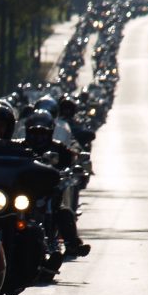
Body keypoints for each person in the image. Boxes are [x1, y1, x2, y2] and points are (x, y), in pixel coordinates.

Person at [20, 111, 90, 258]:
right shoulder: (20, 147)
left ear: (51, 132)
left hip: (49, 190)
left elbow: (72, 160)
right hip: (25, 192)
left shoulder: (59, 148)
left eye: (43, 133)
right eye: (34, 133)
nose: (38, 137)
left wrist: (73, 167)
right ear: (27, 132)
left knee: (64, 212)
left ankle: (72, 245)